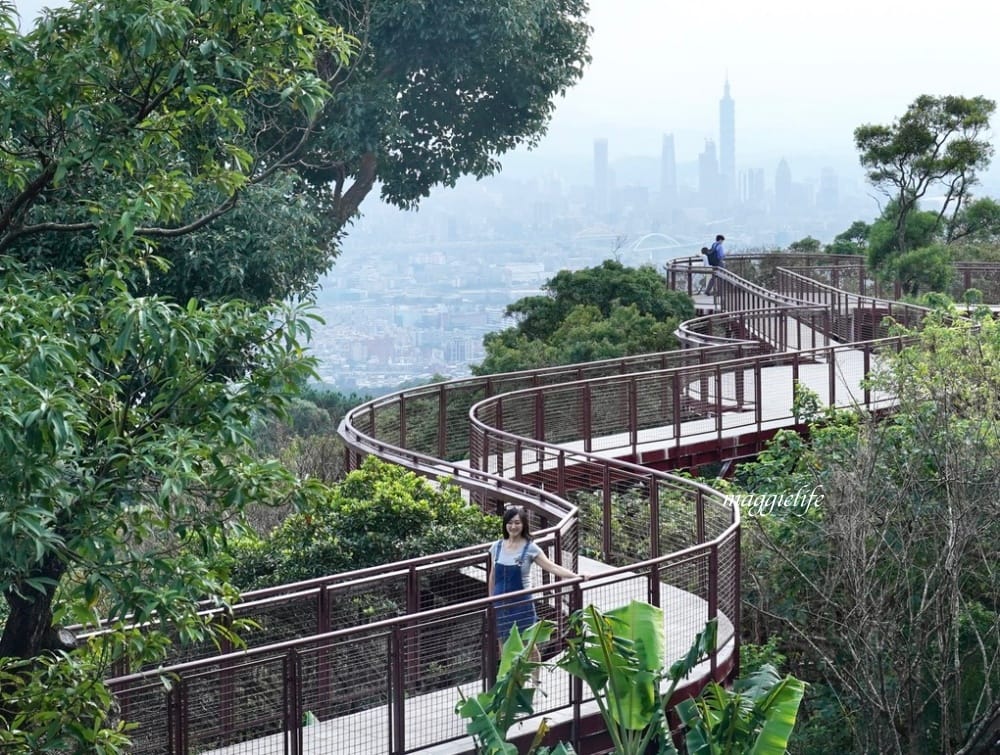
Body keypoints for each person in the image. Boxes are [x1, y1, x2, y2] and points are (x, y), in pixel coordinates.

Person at [487, 506, 586, 685]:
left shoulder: (530, 548)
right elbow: (493, 575)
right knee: (503, 644)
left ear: (523, 524)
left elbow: (552, 567)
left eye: (517, 523)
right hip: (500, 603)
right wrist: (490, 600)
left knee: (529, 645)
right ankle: (509, 684)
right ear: (505, 525)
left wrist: (576, 577)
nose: (513, 526)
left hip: (522, 603)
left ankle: (535, 682)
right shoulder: (497, 546)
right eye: (509, 523)